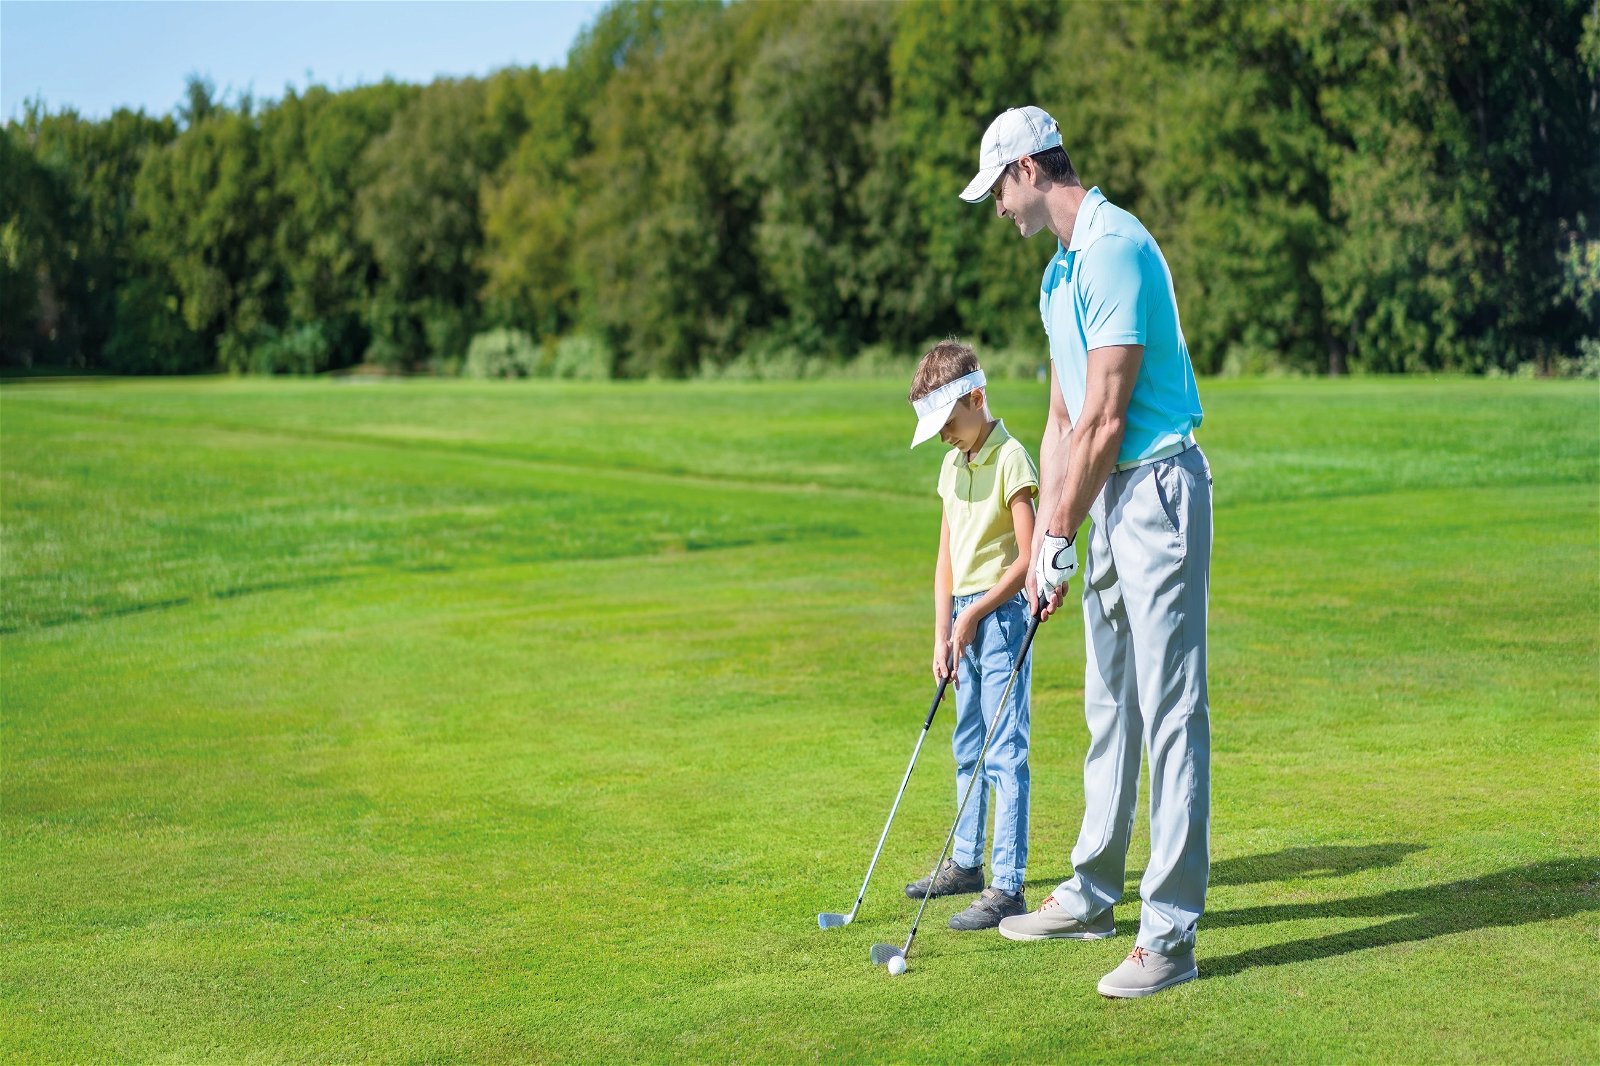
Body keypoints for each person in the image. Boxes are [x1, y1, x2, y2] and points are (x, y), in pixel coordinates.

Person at [957, 106, 1213, 998]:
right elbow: (1065, 416)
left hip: (1158, 490)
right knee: (1111, 705)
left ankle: (1171, 936)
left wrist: (1058, 529)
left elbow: (1110, 412)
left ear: (1029, 168)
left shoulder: (1113, 248)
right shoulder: (1058, 273)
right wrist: (1053, 545)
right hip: (1103, 502)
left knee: (1173, 714)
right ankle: (1095, 890)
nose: (995, 208)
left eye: (997, 187)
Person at [902, 340, 1040, 931]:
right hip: (961, 619)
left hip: (1001, 618)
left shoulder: (1012, 459)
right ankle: (966, 862)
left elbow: (1029, 560)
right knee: (967, 743)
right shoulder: (950, 465)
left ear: (976, 398)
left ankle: (1008, 884)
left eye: (948, 424)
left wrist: (974, 614)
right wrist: (943, 631)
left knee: (1004, 750)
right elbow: (944, 557)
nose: (942, 437)